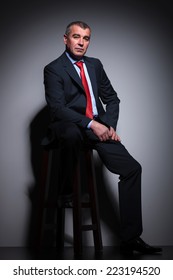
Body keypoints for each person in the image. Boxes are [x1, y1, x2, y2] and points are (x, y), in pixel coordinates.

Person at [43, 21, 162, 254]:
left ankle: (130, 239)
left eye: (86, 38)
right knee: (69, 134)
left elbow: (113, 99)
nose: (81, 42)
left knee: (132, 169)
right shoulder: (53, 69)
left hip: (96, 128)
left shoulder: (95, 65)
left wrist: (107, 125)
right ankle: (66, 190)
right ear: (65, 39)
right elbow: (57, 108)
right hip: (71, 127)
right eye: (76, 37)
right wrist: (90, 123)